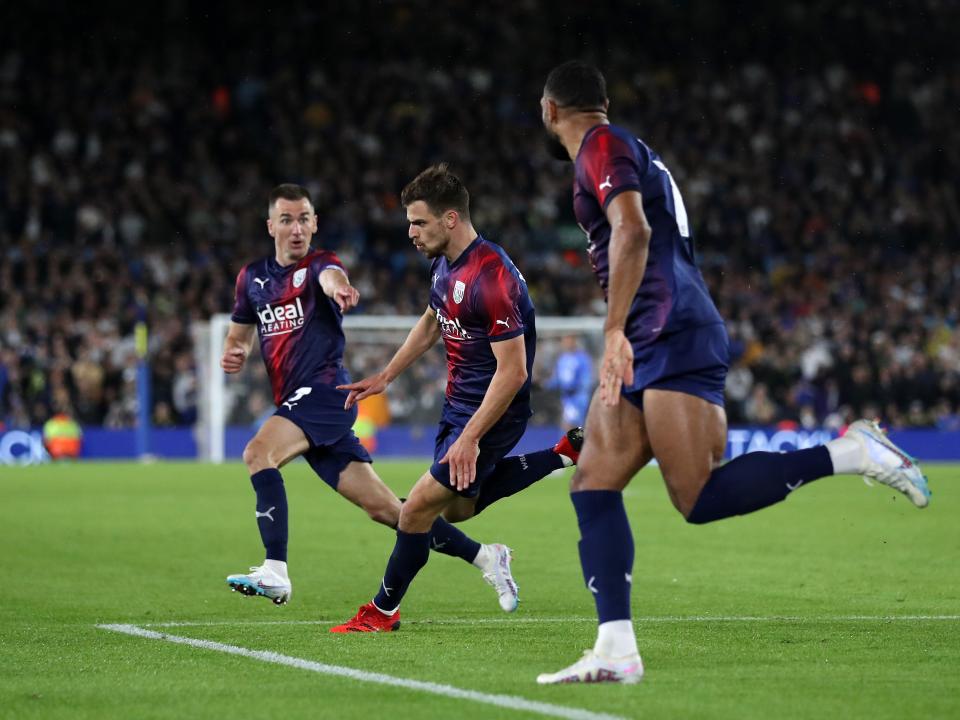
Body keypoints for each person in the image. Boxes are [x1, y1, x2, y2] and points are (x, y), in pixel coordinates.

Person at [535, 61, 931, 685]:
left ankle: (853, 452)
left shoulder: (600, 146)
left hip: (669, 331)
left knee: (697, 497)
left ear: (549, 109)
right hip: (654, 332)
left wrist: (612, 332)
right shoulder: (621, 147)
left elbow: (633, 231)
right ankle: (615, 649)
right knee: (592, 482)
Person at [223, 183, 571, 610]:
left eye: (304, 218)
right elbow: (430, 321)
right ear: (270, 225)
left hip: (329, 394)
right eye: (286, 219)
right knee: (404, 511)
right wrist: (235, 350)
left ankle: (296, 577)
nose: (410, 233)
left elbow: (332, 278)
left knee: (259, 452)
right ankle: (488, 552)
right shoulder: (252, 279)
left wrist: (339, 289)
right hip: (437, 403)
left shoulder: (322, 265)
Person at [330, 164, 582, 632]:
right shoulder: (445, 264)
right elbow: (432, 320)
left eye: (418, 222)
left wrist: (469, 438)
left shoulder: (493, 278)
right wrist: (387, 374)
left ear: (450, 219)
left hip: (494, 408)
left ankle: (382, 611)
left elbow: (513, 372)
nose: (410, 232)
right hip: (458, 404)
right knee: (460, 507)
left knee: (416, 508)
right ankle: (561, 455)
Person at [547, 334, 594, 427]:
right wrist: (544, 384)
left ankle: (577, 441)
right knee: (569, 426)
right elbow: (557, 379)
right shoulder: (562, 359)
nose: (566, 344)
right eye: (565, 341)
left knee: (572, 426)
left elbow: (587, 379)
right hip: (566, 398)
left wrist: (578, 389)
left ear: (574, 342)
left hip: (578, 397)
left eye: (569, 341)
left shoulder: (582, 358)